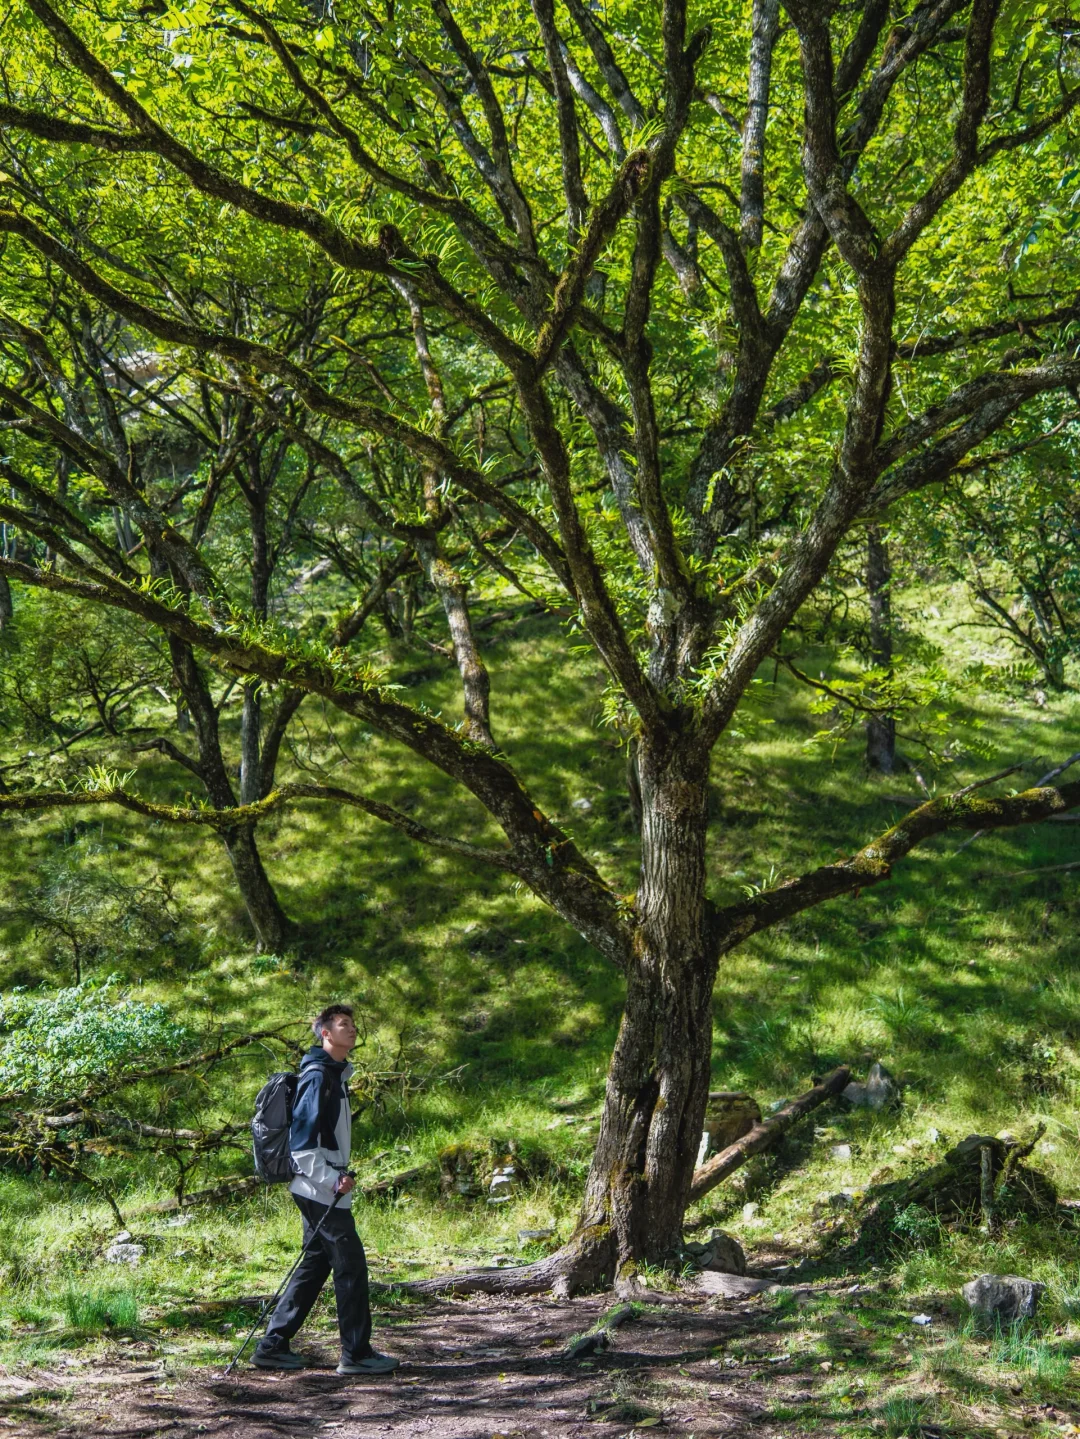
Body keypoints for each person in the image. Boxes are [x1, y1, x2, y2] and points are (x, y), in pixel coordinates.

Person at [254, 1004, 399, 1375]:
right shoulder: (319, 1076)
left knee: (314, 1267)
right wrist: (332, 1179)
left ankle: (271, 1346)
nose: (352, 1029)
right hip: (320, 1191)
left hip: (321, 1189)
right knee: (351, 1267)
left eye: (353, 1024)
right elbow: (302, 1145)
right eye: (343, 1025)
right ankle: (357, 1354)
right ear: (326, 1034)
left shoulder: (334, 1075)